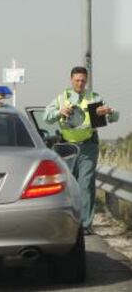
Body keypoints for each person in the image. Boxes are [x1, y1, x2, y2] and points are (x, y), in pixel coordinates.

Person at [43, 66, 119, 235]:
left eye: (83, 80)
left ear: (86, 81)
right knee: (67, 185)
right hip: (67, 148)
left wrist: (109, 112)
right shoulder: (61, 98)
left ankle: (84, 225)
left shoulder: (94, 97)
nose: (80, 83)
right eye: (77, 80)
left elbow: (114, 117)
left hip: (88, 146)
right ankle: (66, 222)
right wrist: (58, 111)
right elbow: (46, 117)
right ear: (71, 80)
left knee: (85, 184)